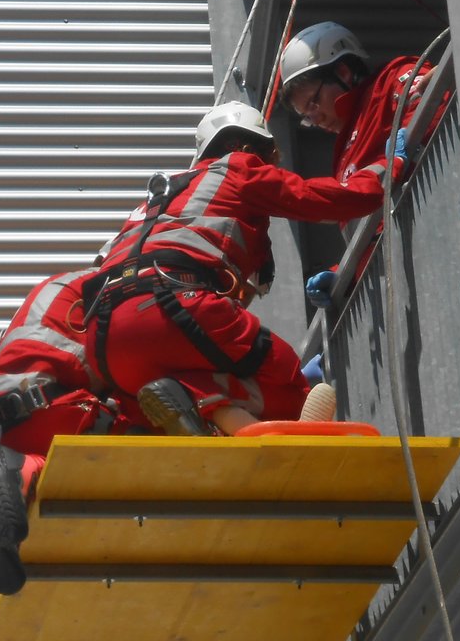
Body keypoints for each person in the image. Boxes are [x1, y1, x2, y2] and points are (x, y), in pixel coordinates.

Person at [83, 101, 411, 438]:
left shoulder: (156, 202)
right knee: (287, 388)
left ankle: (203, 415)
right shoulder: (238, 168)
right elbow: (330, 199)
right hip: (172, 307)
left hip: (103, 339)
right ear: (241, 146)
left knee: (155, 402)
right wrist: (388, 167)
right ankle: (206, 400)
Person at [0, 267, 142, 641]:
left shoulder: (77, 284)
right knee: (132, 452)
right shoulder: (122, 287)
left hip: (6, 420)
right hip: (43, 404)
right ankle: (15, 480)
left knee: (47, 539)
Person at [276, 21, 450, 309]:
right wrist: (342, 276)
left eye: (314, 102)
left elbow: (434, 109)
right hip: (397, 286)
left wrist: (400, 155)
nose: (314, 118)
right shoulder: (343, 154)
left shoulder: (391, 80)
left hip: (433, 244)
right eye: (305, 113)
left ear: (343, 72)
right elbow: (364, 235)